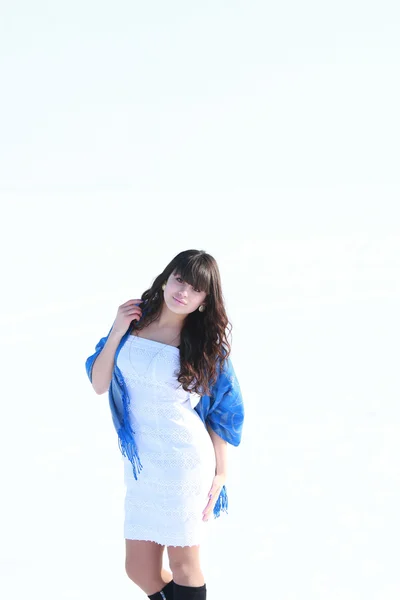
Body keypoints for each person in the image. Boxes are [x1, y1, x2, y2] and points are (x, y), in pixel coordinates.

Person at [85, 249, 245, 600]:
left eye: (195, 289)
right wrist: (116, 331)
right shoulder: (133, 323)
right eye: (179, 280)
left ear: (205, 299)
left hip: (183, 462)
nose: (182, 292)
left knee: (184, 565)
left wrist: (221, 472)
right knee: (138, 568)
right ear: (167, 277)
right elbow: (99, 383)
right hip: (142, 464)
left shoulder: (204, 346)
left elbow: (225, 410)